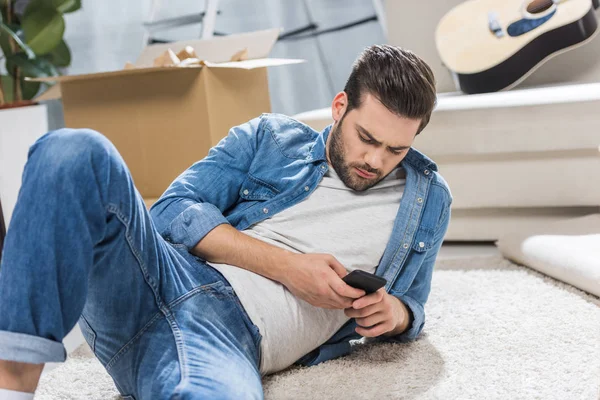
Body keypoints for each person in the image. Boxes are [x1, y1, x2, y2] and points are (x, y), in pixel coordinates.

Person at [0, 44, 451, 399]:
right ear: (339, 107)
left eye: (396, 150)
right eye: (366, 138)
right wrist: (289, 268)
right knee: (74, 151)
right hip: (161, 274)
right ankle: (13, 379)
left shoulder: (428, 200)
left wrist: (395, 314)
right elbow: (170, 211)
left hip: (227, 336)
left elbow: (412, 303)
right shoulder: (270, 137)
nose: (376, 160)